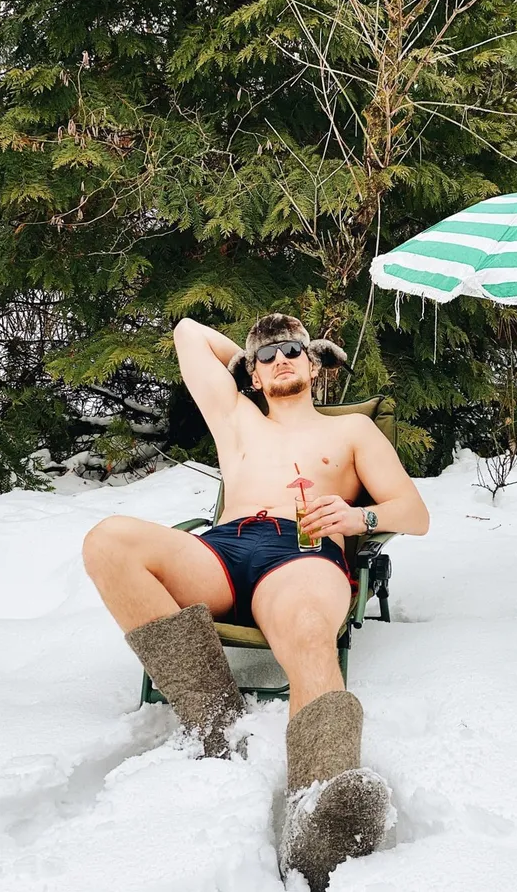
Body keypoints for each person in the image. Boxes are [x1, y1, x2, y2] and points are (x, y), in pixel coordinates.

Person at [82, 313, 429, 892]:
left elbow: (413, 513)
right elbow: (188, 333)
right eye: (266, 357)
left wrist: (358, 518)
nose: (280, 360)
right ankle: (215, 720)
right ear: (253, 374)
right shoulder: (235, 415)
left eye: (292, 350)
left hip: (302, 554)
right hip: (222, 551)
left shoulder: (353, 432)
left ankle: (319, 803)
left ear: (315, 362)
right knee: (107, 541)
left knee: (309, 626)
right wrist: (244, 362)